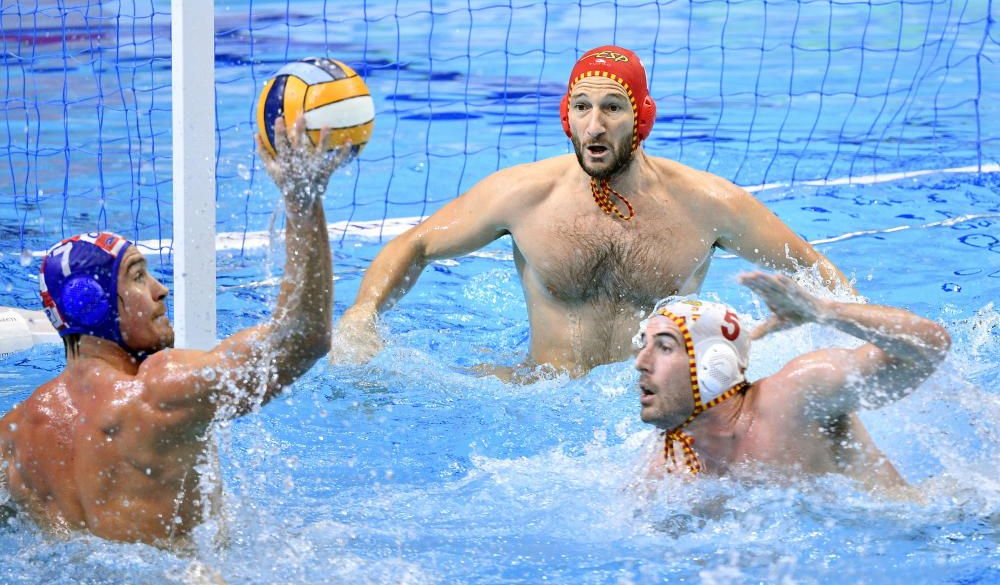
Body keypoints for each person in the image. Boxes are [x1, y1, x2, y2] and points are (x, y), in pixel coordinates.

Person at [335, 45, 853, 373]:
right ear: (567, 115)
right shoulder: (522, 195)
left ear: (640, 117)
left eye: (611, 107)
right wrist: (362, 316)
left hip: (645, 406)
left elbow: (814, 269)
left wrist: (850, 342)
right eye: (582, 107)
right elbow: (414, 245)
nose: (594, 125)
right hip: (537, 398)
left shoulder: (707, 204)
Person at [0, 118, 351, 545]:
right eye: (137, 277)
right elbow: (302, 339)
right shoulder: (156, 392)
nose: (160, 289)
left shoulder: (14, 436)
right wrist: (303, 203)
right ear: (90, 304)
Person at [633, 271, 950, 488]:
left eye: (663, 347)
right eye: (643, 345)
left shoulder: (797, 396)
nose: (640, 362)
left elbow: (928, 347)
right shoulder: (667, 466)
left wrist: (824, 312)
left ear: (713, 365)